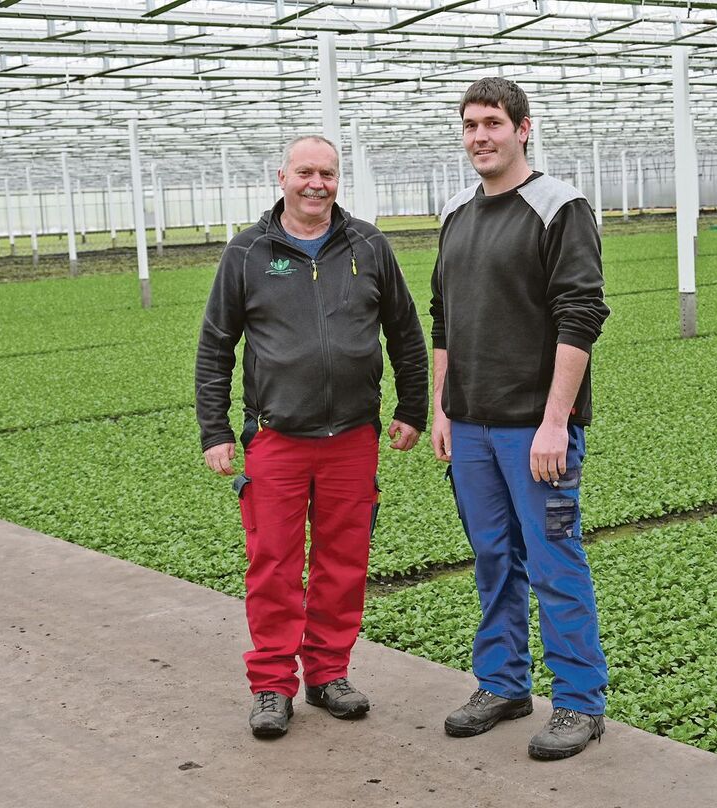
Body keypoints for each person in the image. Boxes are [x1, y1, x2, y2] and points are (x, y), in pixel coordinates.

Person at [195, 135, 428, 739]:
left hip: (352, 436)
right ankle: (272, 686)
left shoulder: (368, 245)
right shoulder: (248, 252)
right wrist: (215, 430)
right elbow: (216, 345)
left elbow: (405, 331)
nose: (316, 184)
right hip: (277, 438)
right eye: (305, 172)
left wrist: (413, 407)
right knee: (273, 564)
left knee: (343, 563)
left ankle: (328, 674)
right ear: (282, 177)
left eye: (327, 173)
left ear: (337, 180)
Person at [430, 77, 612, 761]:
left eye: (493, 124)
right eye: (470, 125)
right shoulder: (456, 212)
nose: (480, 136)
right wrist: (443, 407)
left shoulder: (559, 207)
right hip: (471, 428)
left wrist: (554, 421)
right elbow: (443, 319)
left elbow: (581, 314)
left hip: (535, 433)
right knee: (492, 559)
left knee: (554, 558)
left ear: (523, 129)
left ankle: (579, 702)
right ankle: (503, 684)